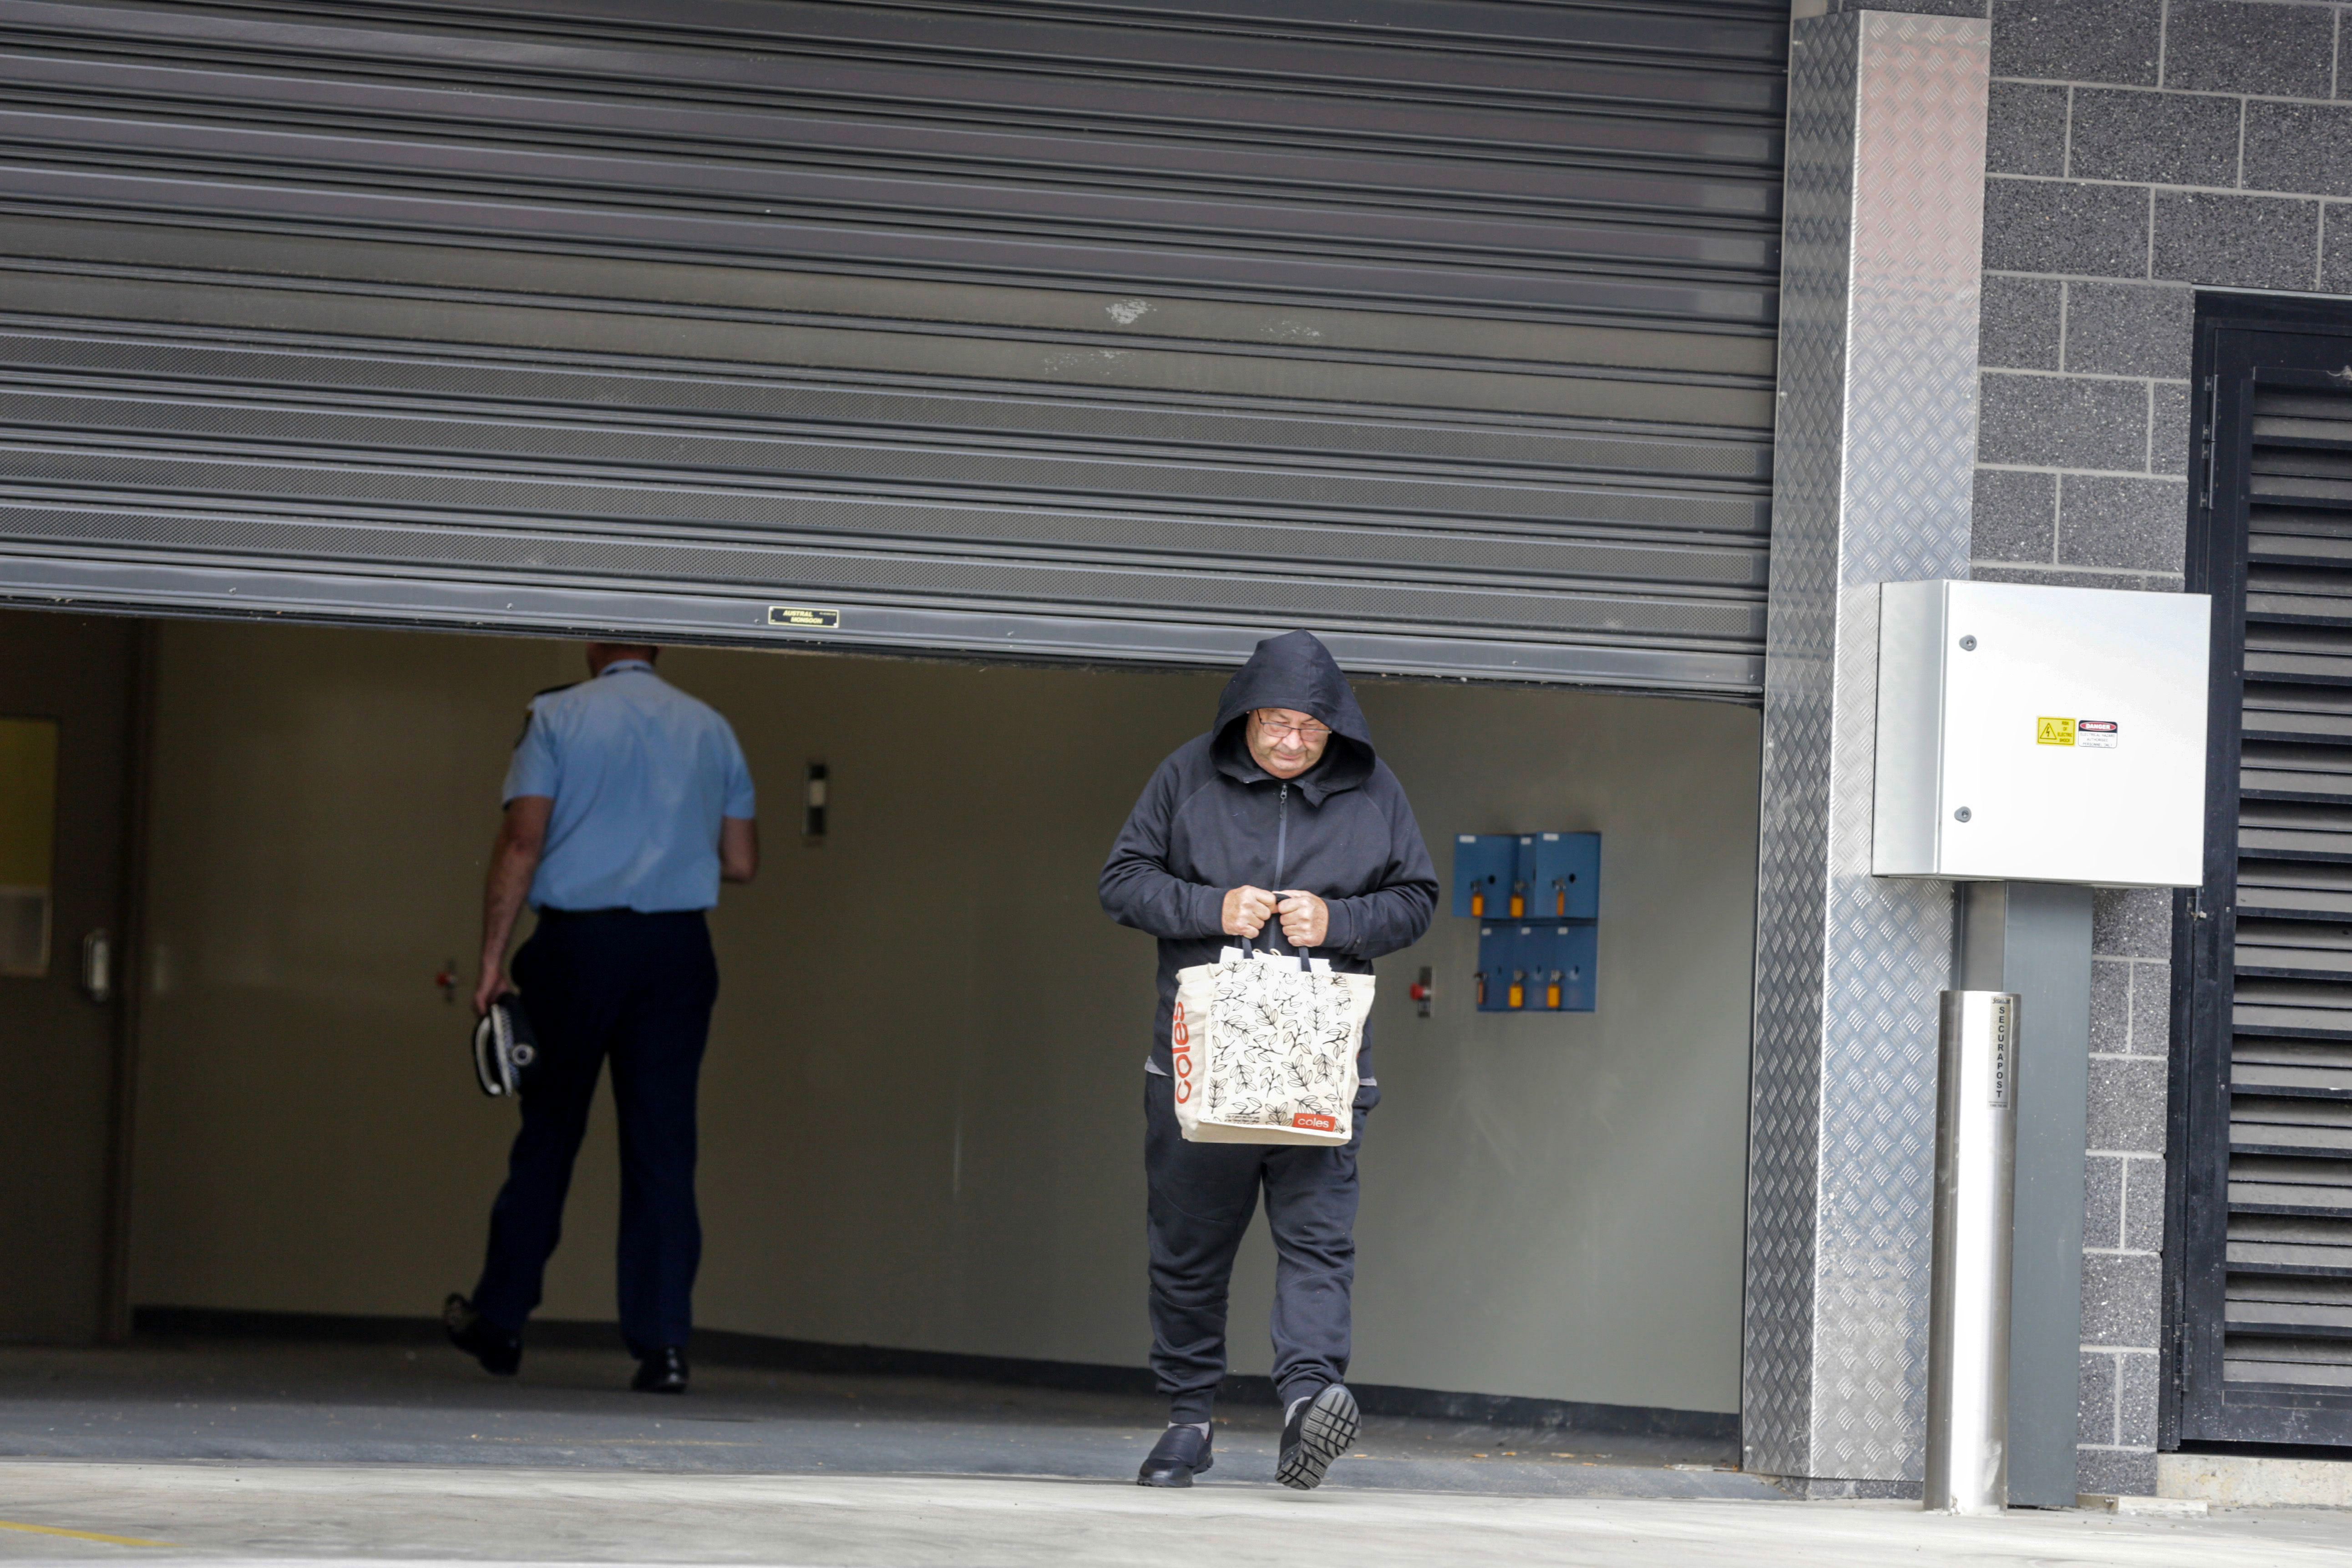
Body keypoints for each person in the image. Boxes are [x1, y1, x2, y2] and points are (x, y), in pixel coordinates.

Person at [1100, 630, 1436, 1490]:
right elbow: (1123, 880)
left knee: (1317, 1242)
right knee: (1188, 1247)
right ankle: (1188, 1419)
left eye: (1311, 729)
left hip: (1321, 1071)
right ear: (1245, 716)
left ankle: (1308, 1401)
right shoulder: (1185, 776)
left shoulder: (1375, 790)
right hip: (1197, 1068)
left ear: (1338, 729)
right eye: (1277, 724)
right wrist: (1215, 906)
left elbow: (1417, 898)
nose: (1292, 742)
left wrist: (1343, 923)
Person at [443, 641, 756, 1394]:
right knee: (664, 1148)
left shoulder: (556, 717)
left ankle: (502, 1321)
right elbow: (740, 860)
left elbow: (523, 840)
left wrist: (492, 957)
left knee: (548, 1135)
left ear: (594, 648)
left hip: (579, 947)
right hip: (678, 950)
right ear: (658, 648)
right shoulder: (711, 725)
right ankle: (665, 1347)